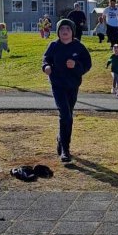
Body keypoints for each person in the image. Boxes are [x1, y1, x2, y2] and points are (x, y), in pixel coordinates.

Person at [42, 18, 92, 163]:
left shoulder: (79, 47)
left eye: (68, 29)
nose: (65, 31)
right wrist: (46, 67)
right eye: (62, 29)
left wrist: (76, 65)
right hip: (57, 85)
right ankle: (65, 149)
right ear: (58, 32)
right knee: (66, 115)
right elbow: (46, 59)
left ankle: (61, 138)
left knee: (68, 115)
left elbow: (87, 64)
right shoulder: (54, 46)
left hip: (73, 85)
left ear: (72, 32)